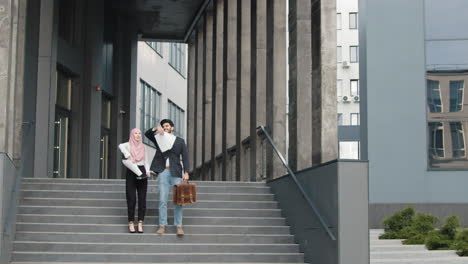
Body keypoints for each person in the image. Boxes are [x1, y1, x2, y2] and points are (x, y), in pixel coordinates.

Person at [145, 119, 190, 236]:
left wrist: (186, 172)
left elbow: (185, 157)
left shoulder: (180, 141)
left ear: (172, 128)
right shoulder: (159, 139)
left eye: (167, 125)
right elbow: (147, 134)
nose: (165, 127)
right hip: (163, 171)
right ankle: (162, 225)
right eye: (163, 126)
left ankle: (179, 226)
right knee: (162, 200)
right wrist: (155, 128)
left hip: (176, 173)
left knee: (178, 201)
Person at [119, 128, 149, 233]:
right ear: (132, 134)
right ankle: (131, 222)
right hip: (131, 170)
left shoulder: (144, 146)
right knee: (131, 198)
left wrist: (148, 171)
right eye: (135, 133)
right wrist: (128, 155)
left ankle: (140, 222)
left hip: (142, 171)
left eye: (139, 133)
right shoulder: (128, 144)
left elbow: (146, 160)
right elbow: (120, 146)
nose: (138, 135)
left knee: (142, 199)